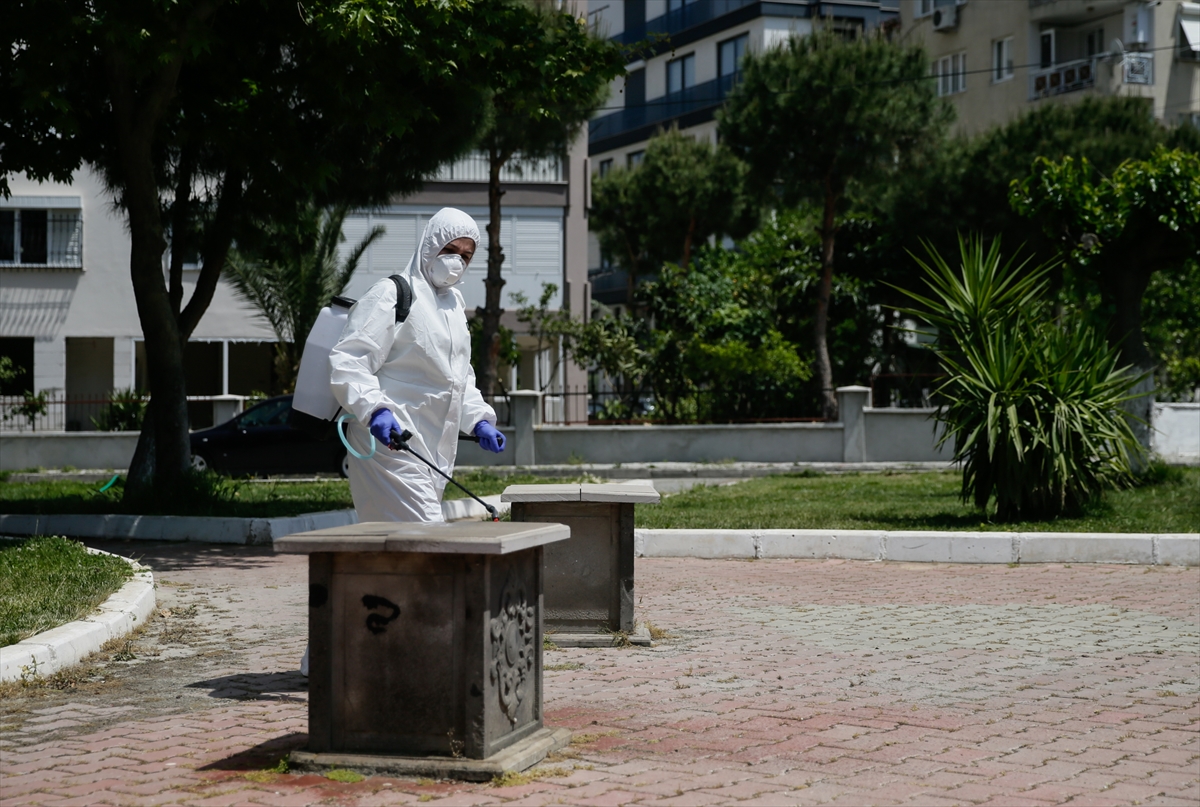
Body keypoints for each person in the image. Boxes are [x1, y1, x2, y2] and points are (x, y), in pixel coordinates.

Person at [329, 207, 506, 522]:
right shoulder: (391, 294)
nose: (456, 261)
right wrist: (376, 411)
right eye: (449, 250)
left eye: (465, 256)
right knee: (428, 536)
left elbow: (457, 378)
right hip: (388, 443)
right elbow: (350, 359)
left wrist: (478, 420)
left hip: (431, 447)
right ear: (429, 245)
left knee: (401, 546)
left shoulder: (453, 306)